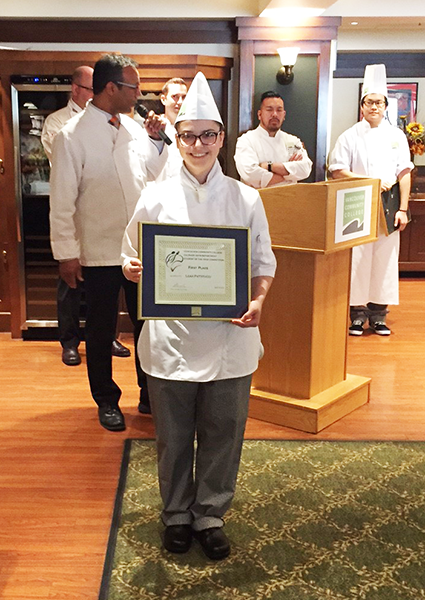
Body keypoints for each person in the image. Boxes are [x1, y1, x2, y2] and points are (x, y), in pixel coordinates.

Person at [122, 72, 276, 560]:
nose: (198, 145)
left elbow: (263, 263)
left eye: (208, 135)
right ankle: (176, 513)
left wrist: (257, 301)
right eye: (189, 135)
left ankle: (210, 513)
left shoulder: (246, 198)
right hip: (171, 337)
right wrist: (131, 268)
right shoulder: (155, 196)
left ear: (221, 138)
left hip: (230, 337)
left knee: (223, 432)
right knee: (172, 436)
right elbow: (130, 255)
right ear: (178, 137)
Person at [49, 53, 168, 431]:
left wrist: (156, 140)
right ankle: (106, 399)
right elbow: (62, 201)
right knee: (101, 330)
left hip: (138, 247)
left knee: (147, 325)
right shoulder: (72, 135)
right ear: (112, 88)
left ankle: (149, 393)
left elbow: (154, 172)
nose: (139, 95)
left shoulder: (133, 127)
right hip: (98, 250)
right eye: (134, 87)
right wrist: (66, 255)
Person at [41, 65, 131, 366]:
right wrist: (65, 252)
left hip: (121, 238)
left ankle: (113, 341)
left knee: (112, 303)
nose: (93, 94)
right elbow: (62, 192)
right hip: (84, 230)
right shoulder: (64, 129)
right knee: (75, 293)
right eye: (91, 88)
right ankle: (70, 343)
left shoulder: (125, 125)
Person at [329, 64, 413, 336]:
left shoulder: (397, 136)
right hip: (357, 203)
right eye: (369, 102)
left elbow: (404, 173)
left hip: (389, 205)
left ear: (386, 106)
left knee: (385, 260)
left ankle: (378, 315)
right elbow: (337, 170)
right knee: (358, 258)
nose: (374, 107)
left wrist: (403, 209)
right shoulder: (350, 135)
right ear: (362, 106)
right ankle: (356, 315)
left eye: (379, 102)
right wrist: (371, 182)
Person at [234, 90, 312, 189]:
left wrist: (269, 166)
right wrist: (288, 176)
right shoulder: (246, 140)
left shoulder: (293, 141)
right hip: (257, 198)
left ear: (284, 115)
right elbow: (250, 174)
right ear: (259, 114)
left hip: (290, 197)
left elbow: (305, 169)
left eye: (279, 110)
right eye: (269, 109)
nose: (275, 114)